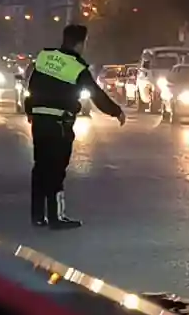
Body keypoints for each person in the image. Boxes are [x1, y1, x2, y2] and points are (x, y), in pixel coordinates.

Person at [23, 25, 124, 229]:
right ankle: (56, 217)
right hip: (59, 123)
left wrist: (30, 111)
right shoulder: (77, 67)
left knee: (40, 167)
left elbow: (31, 87)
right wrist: (116, 111)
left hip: (40, 121)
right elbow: (96, 94)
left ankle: (37, 215)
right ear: (81, 43)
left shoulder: (45, 58)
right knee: (56, 170)